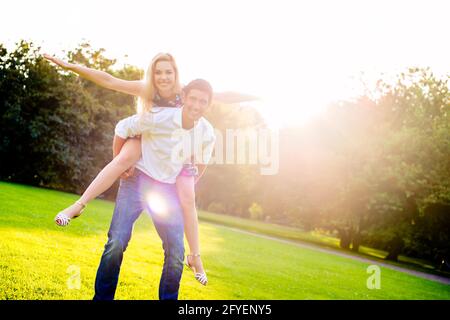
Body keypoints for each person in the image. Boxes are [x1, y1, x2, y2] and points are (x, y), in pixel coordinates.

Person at [44, 53, 210, 286]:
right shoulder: (147, 90)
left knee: (187, 197)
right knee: (124, 160)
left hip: (168, 159)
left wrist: (256, 97)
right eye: (158, 72)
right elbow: (109, 81)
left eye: (168, 72)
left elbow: (215, 98)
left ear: (176, 75)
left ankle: (195, 256)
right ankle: (79, 205)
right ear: (152, 74)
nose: (163, 77)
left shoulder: (186, 94)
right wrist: (70, 66)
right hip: (144, 136)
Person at [96, 78, 215, 300]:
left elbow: (200, 165)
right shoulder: (162, 116)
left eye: (203, 101)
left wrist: (185, 187)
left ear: (209, 105)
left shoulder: (207, 133)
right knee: (116, 243)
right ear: (184, 98)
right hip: (137, 180)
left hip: (168, 188)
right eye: (193, 99)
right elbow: (123, 128)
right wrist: (120, 162)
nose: (197, 105)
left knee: (176, 254)